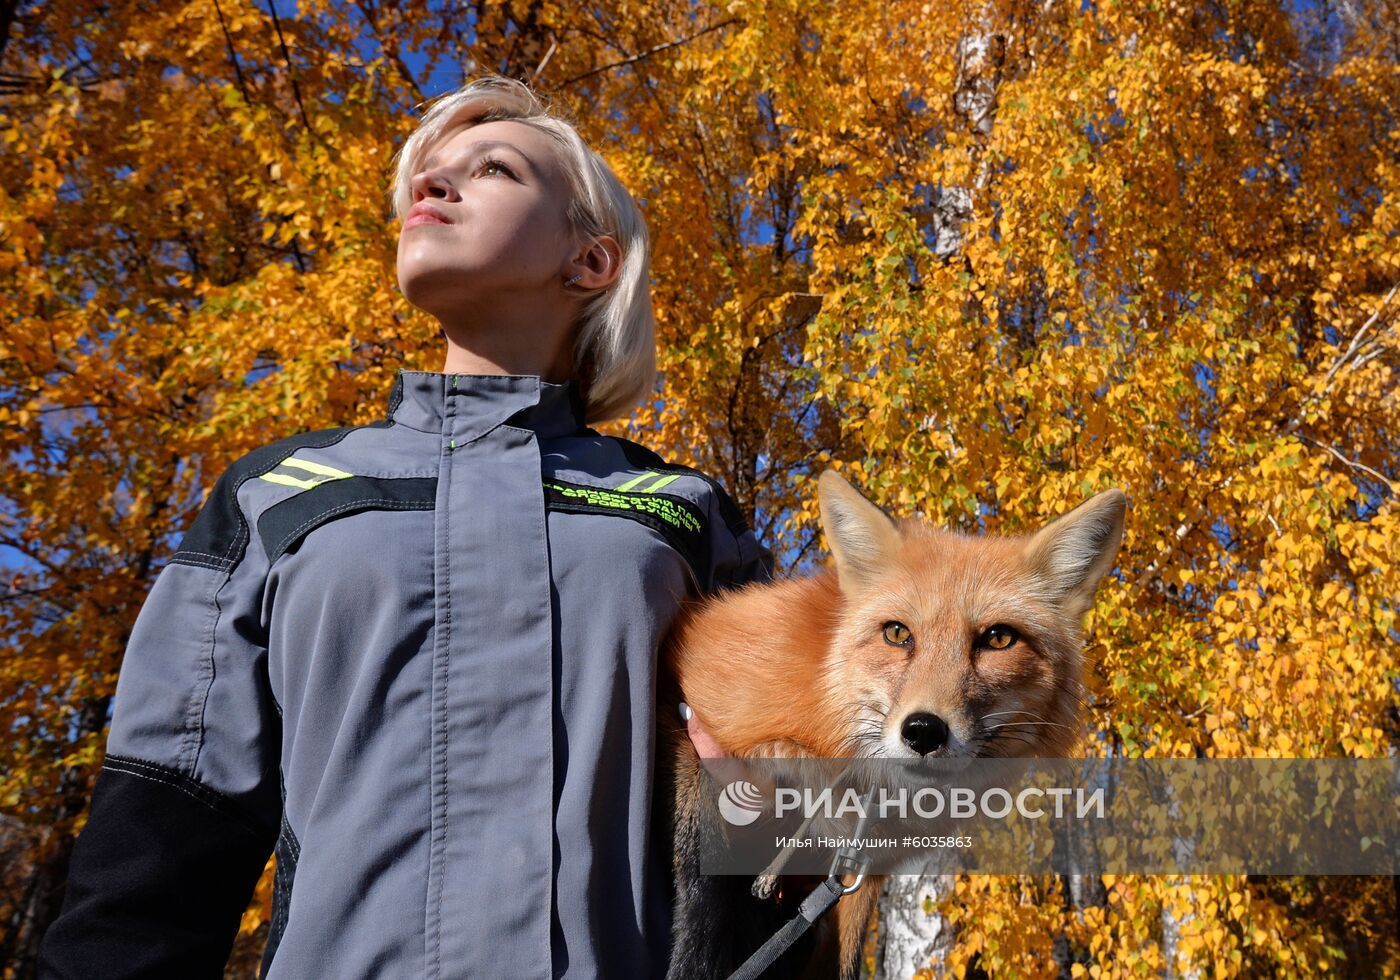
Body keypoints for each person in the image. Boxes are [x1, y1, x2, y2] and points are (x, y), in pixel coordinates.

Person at [38, 73, 772, 979]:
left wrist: (784, 818)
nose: (431, 185)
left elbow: (835, 821)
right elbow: (157, 845)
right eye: (425, 175)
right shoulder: (279, 492)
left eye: (493, 167)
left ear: (589, 261)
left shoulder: (682, 510)